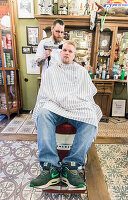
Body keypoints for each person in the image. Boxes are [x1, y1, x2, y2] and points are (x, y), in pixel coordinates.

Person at [30, 40, 102, 189]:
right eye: (64, 50)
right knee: (43, 114)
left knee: (91, 118)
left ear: (74, 55)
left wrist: (81, 103)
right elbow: (44, 95)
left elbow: (87, 94)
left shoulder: (81, 71)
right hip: (55, 105)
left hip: (77, 106)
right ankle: (51, 168)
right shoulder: (50, 71)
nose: (67, 53)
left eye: (70, 51)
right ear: (60, 52)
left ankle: (71, 165)